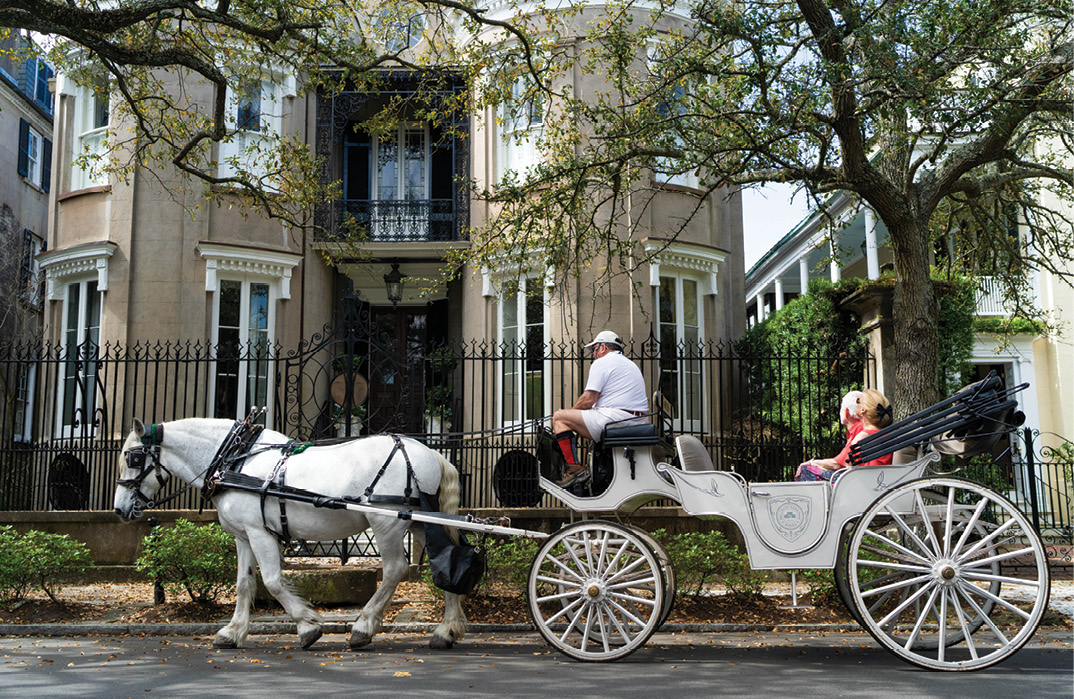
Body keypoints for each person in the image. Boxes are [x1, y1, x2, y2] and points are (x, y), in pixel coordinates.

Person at [552, 330, 649, 488]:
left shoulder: (603, 362)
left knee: (559, 418)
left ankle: (575, 470)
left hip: (616, 419)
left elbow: (588, 400)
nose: (593, 354)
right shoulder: (630, 364)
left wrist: (572, 415)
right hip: (636, 420)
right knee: (571, 418)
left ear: (603, 347)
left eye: (594, 349)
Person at [796, 388, 893, 482]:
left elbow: (838, 465)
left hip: (861, 483)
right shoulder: (886, 435)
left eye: (858, 401)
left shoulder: (863, 436)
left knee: (806, 471)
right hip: (879, 480)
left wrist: (812, 463)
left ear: (863, 410)